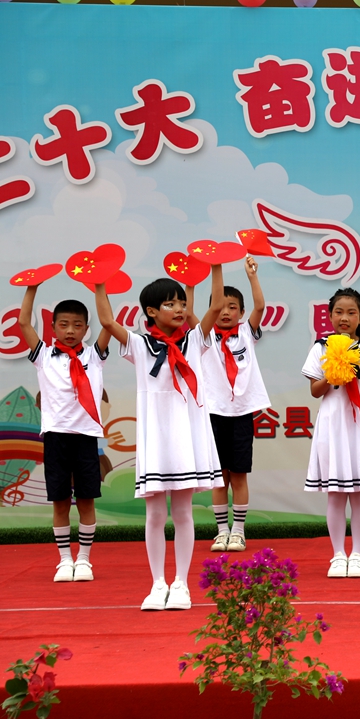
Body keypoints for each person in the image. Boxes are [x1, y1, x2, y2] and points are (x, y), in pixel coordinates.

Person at [96, 269, 225, 611]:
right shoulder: (139, 344)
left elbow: (215, 307)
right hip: (156, 437)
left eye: (182, 302)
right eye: (170, 304)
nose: (179, 309)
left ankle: (181, 583)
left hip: (186, 436)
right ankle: (157, 584)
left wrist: (215, 266)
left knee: (182, 512)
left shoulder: (194, 340)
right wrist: (99, 282)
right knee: (154, 514)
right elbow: (107, 321)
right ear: (152, 312)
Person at [19, 286, 110, 582]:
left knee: (86, 499)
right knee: (59, 501)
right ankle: (64, 560)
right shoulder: (44, 356)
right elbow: (23, 323)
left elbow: (109, 323)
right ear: (53, 326)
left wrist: (100, 287)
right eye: (64, 324)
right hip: (56, 437)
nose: (70, 331)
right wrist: (32, 287)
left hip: (86, 437)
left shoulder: (94, 355)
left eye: (77, 325)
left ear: (86, 328)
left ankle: (84, 559)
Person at [301, 288, 360, 579]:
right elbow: (315, 391)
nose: (344, 318)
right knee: (336, 494)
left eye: (351, 313)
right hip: (333, 423)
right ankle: (338, 555)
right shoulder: (321, 347)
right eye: (339, 312)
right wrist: (333, 371)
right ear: (329, 316)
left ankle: (358, 555)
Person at [194, 257, 270, 553]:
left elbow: (260, 307)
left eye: (233, 307)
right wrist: (194, 283)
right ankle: (221, 532)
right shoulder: (204, 337)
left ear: (240, 312)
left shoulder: (246, 333)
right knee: (218, 478)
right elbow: (189, 315)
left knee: (238, 475)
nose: (226, 312)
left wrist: (252, 276)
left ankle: (238, 532)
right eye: (220, 307)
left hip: (241, 414)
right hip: (213, 414)